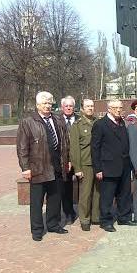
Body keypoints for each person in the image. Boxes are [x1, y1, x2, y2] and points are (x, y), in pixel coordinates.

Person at [17, 91, 69, 241]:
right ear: (37, 105)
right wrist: (25, 167)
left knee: (55, 198)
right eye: (44, 103)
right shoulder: (28, 122)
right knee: (37, 202)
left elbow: (65, 142)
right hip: (38, 168)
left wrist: (67, 160)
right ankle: (37, 230)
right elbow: (22, 147)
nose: (47, 106)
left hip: (56, 167)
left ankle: (53, 224)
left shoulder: (58, 119)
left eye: (49, 103)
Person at [91, 99, 135, 232]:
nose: (118, 110)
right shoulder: (100, 124)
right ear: (109, 109)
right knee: (107, 196)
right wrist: (97, 168)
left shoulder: (122, 123)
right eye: (115, 108)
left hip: (124, 166)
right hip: (108, 167)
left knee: (124, 193)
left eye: (120, 108)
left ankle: (124, 217)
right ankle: (105, 221)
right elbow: (95, 148)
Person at [69, 99, 99, 231]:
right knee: (85, 194)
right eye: (87, 106)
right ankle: (85, 219)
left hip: (97, 163)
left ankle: (96, 216)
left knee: (98, 192)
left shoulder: (98, 122)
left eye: (92, 106)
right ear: (82, 108)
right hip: (85, 164)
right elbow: (74, 148)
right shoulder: (77, 125)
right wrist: (78, 168)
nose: (90, 108)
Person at [58, 95, 78, 224]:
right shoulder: (57, 120)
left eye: (71, 106)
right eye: (66, 106)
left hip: (79, 158)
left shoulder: (80, 119)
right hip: (64, 159)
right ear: (62, 107)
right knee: (66, 187)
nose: (69, 108)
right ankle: (68, 212)